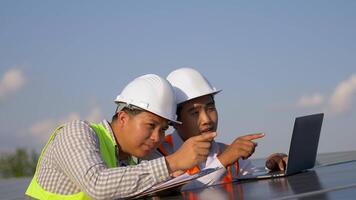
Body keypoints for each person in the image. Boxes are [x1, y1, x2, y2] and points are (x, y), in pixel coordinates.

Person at [25, 74, 217, 200]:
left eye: (163, 129)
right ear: (123, 117)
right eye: (151, 125)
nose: (156, 137)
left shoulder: (140, 154)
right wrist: (171, 163)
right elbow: (98, 185)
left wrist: (167, 187)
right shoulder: (76, 133)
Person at [151, 68, 288, 187]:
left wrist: (274, 167)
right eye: (194, 113)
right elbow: (181, 190)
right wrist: (224, 160)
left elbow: (255, 180)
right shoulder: (159, 155)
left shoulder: (231, 153)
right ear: (174, 121)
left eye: (210, 108)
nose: (207, 120)